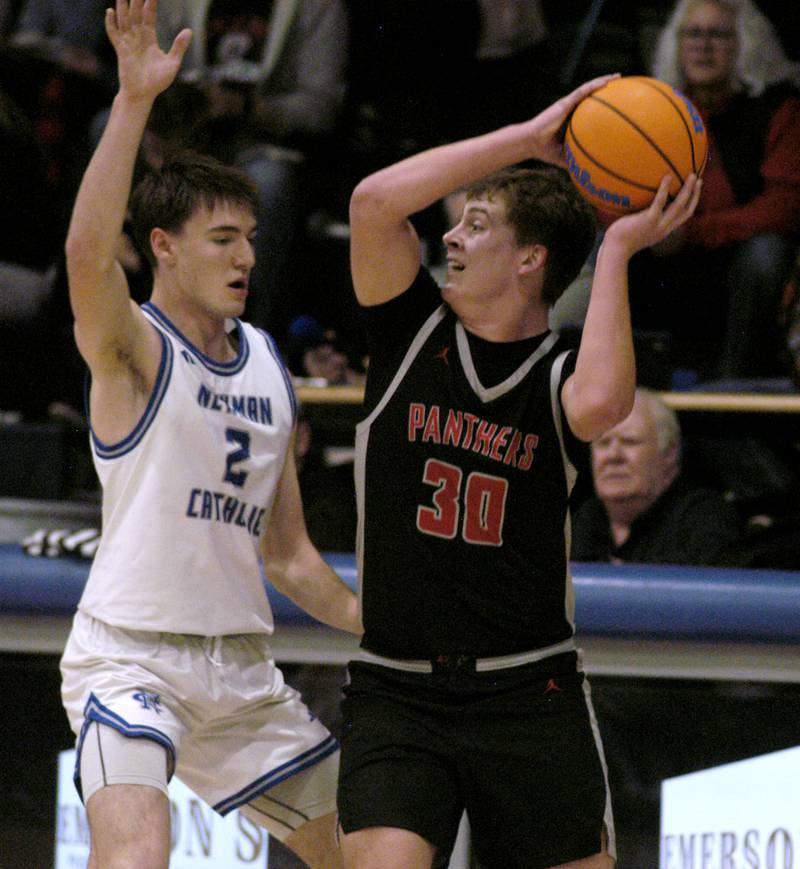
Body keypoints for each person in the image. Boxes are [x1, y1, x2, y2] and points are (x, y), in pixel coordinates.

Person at [335, 69, 701, 869]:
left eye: (476, 225)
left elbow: (604, 402)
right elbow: (373, 201)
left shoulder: (558, 374)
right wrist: (530, 140)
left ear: (531, 258)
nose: (451, 239)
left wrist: (617, 248)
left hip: (528, 691)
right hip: (398, 689)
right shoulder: (410, 332)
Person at [58, 3, 360, 867]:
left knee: (369, 855)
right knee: (135, 855)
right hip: (131, 663)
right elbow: (86, 256)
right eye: (222, 239)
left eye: (251, 240)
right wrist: (132, 103)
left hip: (240, 678)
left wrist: (384, 625)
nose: (245, 258)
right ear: (164, 247)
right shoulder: (134, 348)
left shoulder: (268, 364)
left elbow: (289, 555)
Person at [150, 0, 349, 341]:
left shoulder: (316, 7)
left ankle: (247, 335)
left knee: (266, 184)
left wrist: (244, 107)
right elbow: (151, 76)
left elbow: (320, 107)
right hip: (183, 134)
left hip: (264, 145)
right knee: (108, 130)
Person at [627, 0, 800, 380]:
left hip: (741, 257)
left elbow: (784, 207)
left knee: (766, 254)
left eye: (718, 34)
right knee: (613, 247)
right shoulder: (654, 110)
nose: (702, 46)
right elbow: (617, 194)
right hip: (669, 257)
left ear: (747, 43)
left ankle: (733, 388)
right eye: (693, 33)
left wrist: (693, 232)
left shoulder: (779, 109)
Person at [571, 387, 742, 565]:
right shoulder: (583, 519)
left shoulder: (705, 521)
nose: (613, 456)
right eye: (603, 443)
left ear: (669, 453)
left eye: (629, 442)